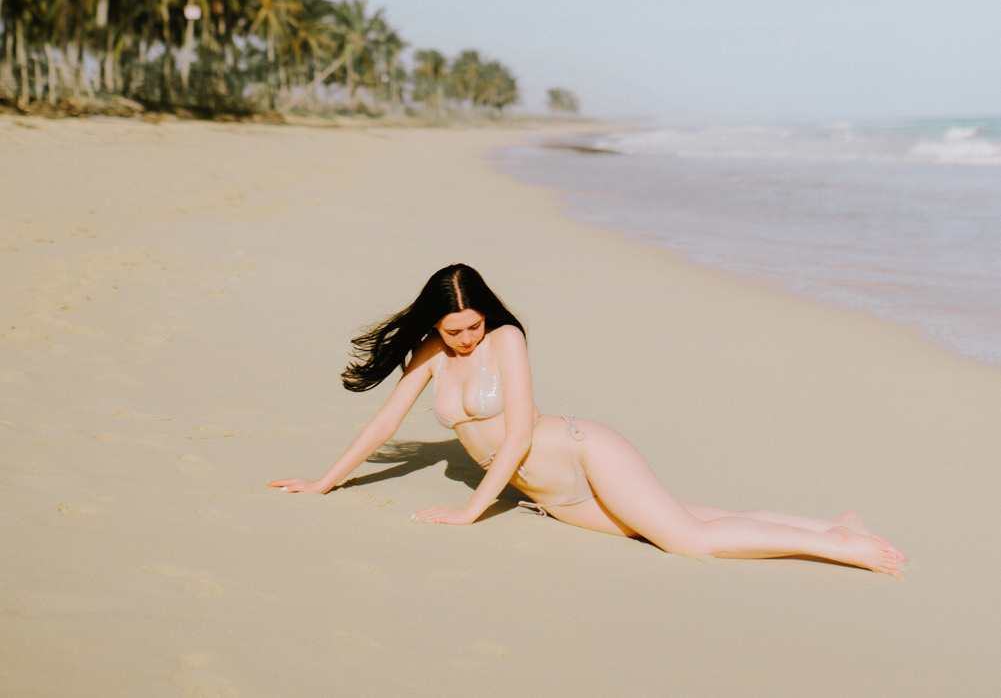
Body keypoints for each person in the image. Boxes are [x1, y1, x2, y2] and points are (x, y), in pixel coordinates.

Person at [268, 263, 904, 574]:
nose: (465, 339)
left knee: (687, 542)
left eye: (473, 325)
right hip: (552, 495)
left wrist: (471, 511)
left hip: (580, 452)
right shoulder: (432, 353)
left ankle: (835, 547)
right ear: (433, 324)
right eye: (452, 329)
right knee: (682, 520)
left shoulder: (507, 339)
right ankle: (834, 522)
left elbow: (516, 433)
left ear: (486, 314)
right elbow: (384, 425)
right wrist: (324, 481)